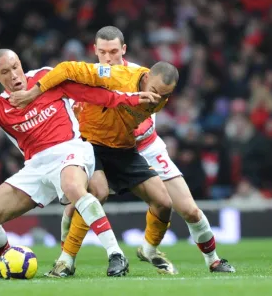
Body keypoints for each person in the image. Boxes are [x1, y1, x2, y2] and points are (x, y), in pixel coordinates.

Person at [0, 48, 159, 278]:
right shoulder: (0, 107)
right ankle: (7, 257)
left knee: (73, 187)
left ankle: (116, 254)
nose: (13, 75)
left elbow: (91, 94)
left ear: (21, 64)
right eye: (5, 72)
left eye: (15, 67)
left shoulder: (45, 78)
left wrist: (130, 98)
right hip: (35, 165)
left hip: (70, 149)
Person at [90, 26, 236, 273]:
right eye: (103, 52)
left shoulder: (142, 75)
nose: (108, 57)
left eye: (113, 51)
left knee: (189, 209)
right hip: (106, 150)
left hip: (146, 146)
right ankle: (66, 260)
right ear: (95, 51)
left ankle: (212, 259)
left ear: (122, 50)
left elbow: (147, 116)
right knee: (79, 200)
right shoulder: (90, 77)